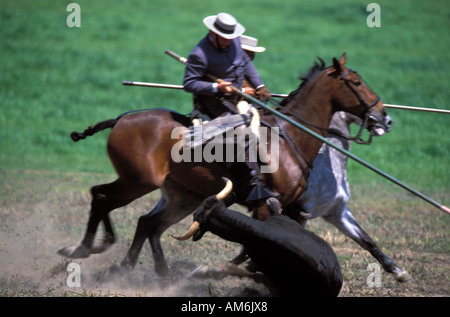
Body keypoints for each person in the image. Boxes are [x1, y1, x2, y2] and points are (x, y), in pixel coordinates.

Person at [183, 13, 273, 202]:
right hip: (215, 103)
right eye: (224, 38)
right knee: (243, 130)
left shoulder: (235, 42)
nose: (228, 42)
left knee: (268, 122)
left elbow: (247, 65)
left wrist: (259, 86)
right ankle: (253, 179)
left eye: (230, 38)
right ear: (212, 33)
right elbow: (189, 84)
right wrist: (217, 87)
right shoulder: (199, 54)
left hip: (237, 97)